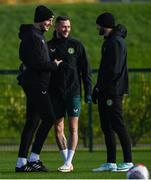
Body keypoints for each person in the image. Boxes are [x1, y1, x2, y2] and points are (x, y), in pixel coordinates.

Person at [15, 5, 62, 172]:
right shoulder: (33, 37)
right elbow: (36, 63)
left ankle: (21, 163)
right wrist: (53, 65)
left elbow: (29, 60)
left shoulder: (36, 36)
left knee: (32, 123)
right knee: (49, 118)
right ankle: (34, 158)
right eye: (48, 20)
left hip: (36, 84)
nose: (50, 23)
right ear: (40, 19)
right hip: (36, 85)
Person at [47, 16, 92, 172]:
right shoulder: (48, 46)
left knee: (73, 128)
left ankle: (68, 162)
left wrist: (88, 91)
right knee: (58, 128)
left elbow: (86, 71)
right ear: (56, 28)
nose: (66, 29)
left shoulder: (77, 45)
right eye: (63, 26)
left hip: (73, 93)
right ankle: (67, 162)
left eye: (68, 26)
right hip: (55, 93)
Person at [92, 12, 133, 172]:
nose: (97, 28)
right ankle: (111, 162)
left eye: (99, 25)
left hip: (113, 92)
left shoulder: (115, 42)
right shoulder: (110, 41)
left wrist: (100, 87)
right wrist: (98, 88)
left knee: (118, 124)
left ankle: (128, 161)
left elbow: (113, 71)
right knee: (106, 126)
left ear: (105, 25)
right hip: (105, 91)